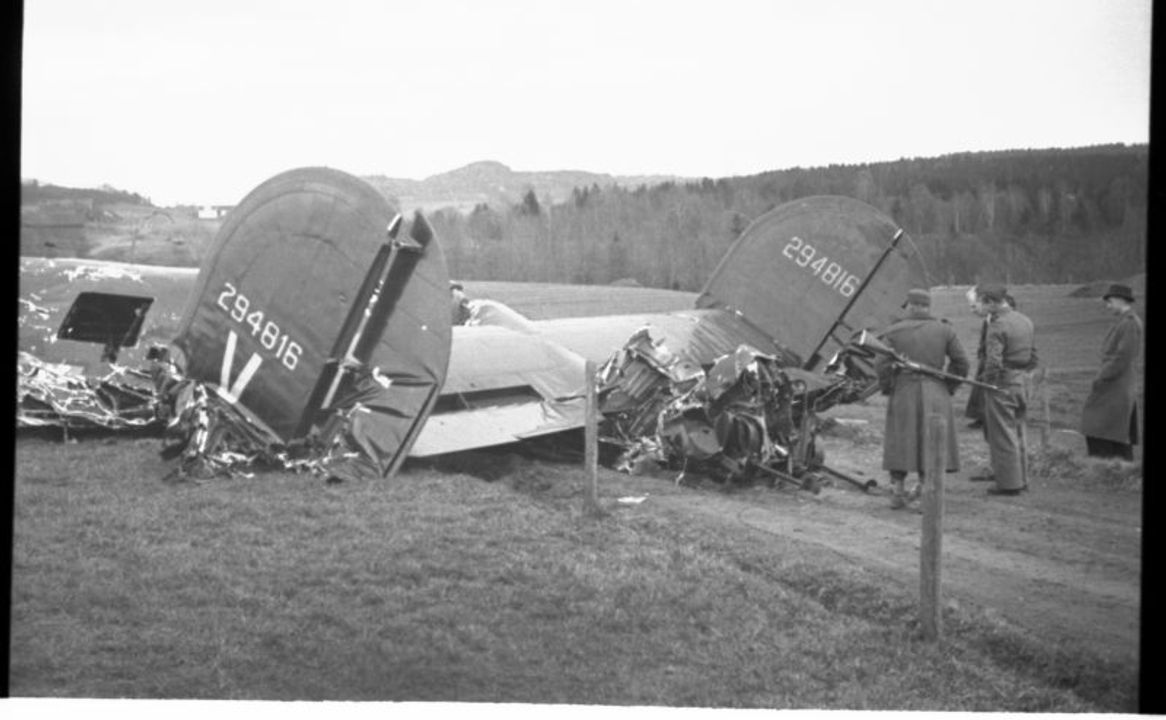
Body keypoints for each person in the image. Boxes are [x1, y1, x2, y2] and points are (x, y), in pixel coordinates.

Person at [876, 288, 970, 510]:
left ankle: (897, 491)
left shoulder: (893, 331)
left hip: (904, 391)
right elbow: (962, 363)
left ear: (910, 306)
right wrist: (949, 386)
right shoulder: (945, 330)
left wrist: (889, 386)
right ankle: (926, 494)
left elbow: (880, 364)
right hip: (936, 392)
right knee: (931, 442)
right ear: (927, 307)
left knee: (900, 441)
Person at [975, 283, 1036, 496]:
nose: (980, 307)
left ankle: (1009, 484)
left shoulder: (997, 325)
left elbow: (993, 361)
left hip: (1003, 382)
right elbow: (1033, 355)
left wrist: (987, 382)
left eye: (982, 303)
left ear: (991, 302)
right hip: (1023, 381)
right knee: (1019, 431)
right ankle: (1023, 480)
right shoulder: (1025, 320)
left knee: (1002, 434)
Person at [1081, 283, 1142, 461]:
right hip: (1114, 386)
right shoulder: (1124, 321)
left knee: (1103, 431)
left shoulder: (1129, 323)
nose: (1108, 306)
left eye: (1110, 301)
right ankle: (1113, 469)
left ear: (1121, 300)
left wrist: (1102, 377)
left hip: (1115, 386)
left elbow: (1123, 357)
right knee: (1107, 433)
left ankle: (1109, 470)